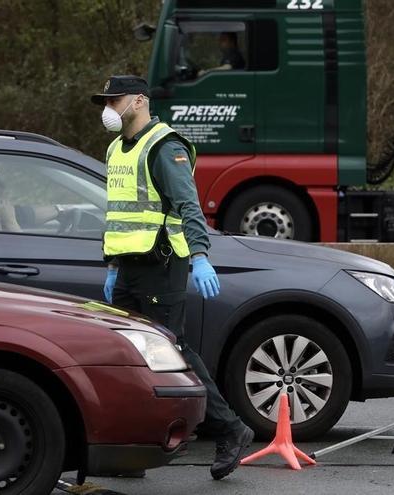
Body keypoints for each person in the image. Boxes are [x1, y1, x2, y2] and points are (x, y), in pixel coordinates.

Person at [92, 75, 254, 481]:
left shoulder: (165, 146)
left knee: (172, 350)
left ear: (140, 102)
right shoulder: (117, 147)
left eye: (116, 100)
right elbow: (119, 212)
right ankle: (136, 448)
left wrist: (200, 257)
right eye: (106, 101)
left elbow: (188, 205)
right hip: (130, 266)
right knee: (128, 355)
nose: (109, 108)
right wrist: (113, 267)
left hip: (163, 264)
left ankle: (230, 429)